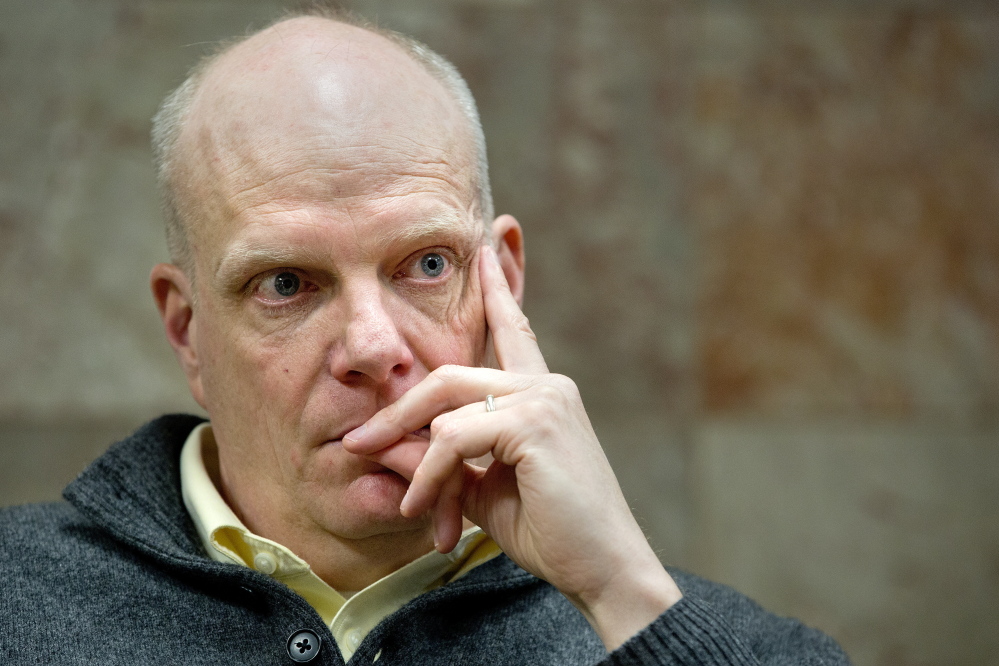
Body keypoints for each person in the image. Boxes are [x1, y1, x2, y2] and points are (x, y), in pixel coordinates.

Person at [0, 8, 850, 665]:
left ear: (503, 283)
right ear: (189, 333)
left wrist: (620, 593)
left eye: (427, 265)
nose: (373, 345)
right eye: (287, 283)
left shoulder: (683, 628)